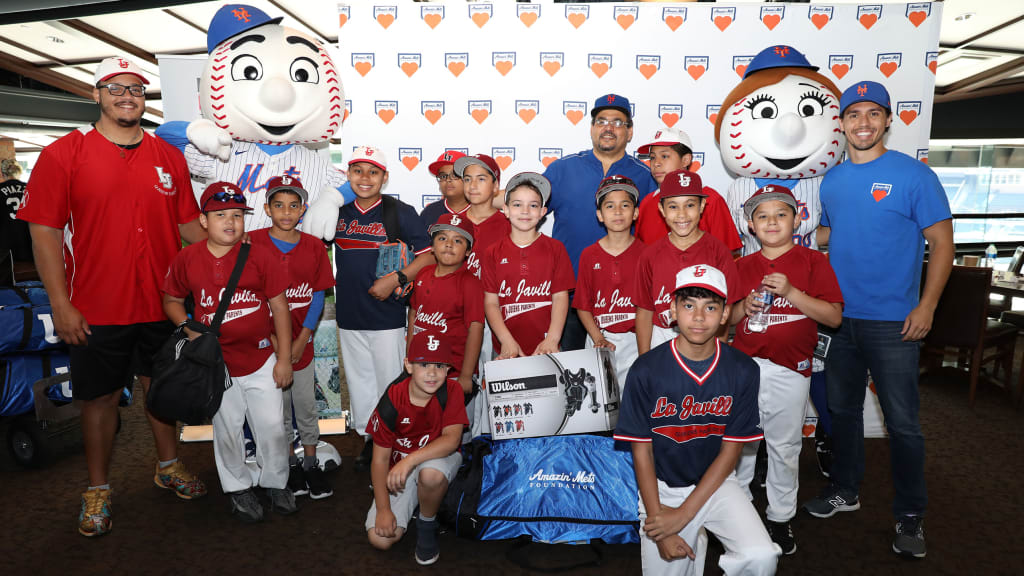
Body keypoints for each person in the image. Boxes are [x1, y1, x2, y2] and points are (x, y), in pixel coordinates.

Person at [17, 56, 207, 537]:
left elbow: (188, 226)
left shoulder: (169, 157)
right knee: (98, 399)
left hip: (162, 301)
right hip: (96, 306)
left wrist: (234, 237)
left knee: (159, 388)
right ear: (96, 94)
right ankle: (97, 489)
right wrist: (60, 304)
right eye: (116, 88)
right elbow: (44, 234)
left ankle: (167, 466)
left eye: (136, 89)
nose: (128, 96)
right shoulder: (65, 153)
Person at [802, 81, 954, 559]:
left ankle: (911, 514)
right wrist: (790, 229)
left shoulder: (915, 176)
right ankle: (846, 489)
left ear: (889, 120)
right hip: (840, 318)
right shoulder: (834, 179)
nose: (863, 123)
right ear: (841, 123)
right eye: (854, 115)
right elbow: (835, 232)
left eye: (873, 114)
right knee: (843, 413)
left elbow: (943, 244)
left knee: (903, 425)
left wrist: (926, 306)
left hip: (895, 322)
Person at [614, 264, 779, 576]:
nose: (699, 317)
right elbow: (641, 452)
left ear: (726, 314)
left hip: (716, 485)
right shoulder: (646, 369)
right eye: (688, 305)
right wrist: (662, 521)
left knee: (760, 555)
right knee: (673, 563)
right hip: (661, 489)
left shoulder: (743, 369)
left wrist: (684, 515)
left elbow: (730, 452)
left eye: (711, 307)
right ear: (673, 310)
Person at [163, 181, 296, 522]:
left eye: (237, 215)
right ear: (204, 221)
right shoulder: (188, 258)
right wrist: (188, 328)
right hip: (215, 365)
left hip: (260, 357)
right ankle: (238, 488)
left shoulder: (259, 255)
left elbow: (279, 307)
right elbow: (172, 300)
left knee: (272, 426)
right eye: (220, 214)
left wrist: (283, 359)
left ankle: (276, 481)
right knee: (227, 430)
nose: (230, 221)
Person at [728, 185, 843, 555]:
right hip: (744, 368)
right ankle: (739, 513)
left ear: (797, 219)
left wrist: (792, 292)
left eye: (781, 214)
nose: (772, 221)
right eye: (762, 215)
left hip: (790, 370)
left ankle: (779, 518)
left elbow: (833, 317)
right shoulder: (741, 266)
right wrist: (743, 307)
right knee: (741, 445)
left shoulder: (814, 262)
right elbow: (723, 321)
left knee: (784, 447)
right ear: (750, 225)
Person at [332, 146, 434, 470]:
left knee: (390, 381)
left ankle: (393, 439)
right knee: (360, 384)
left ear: (384, 177)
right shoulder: (338, 211)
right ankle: (368, 438)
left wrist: (397, 278)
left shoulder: (398, 211)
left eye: (373, 171)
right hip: (349, 314)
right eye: (358, 170)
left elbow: (428, 255)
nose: (365, 178)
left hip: (386, 315)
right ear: (347, 175)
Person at [544, 93, 657, 351]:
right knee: (571, 382)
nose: (609, 127)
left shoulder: (645, 176)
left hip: (624, 303)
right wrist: (481, 200)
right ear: (592, 128)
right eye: (602, 121)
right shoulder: (562, 169)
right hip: (568, 298)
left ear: (629, 132)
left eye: (618, 122)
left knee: (625, 378)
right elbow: (524, 203)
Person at [249, 176, 335, 499]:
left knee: (304, 404)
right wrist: (273, 340)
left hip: (303, 341)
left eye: (293, 205)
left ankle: (310, 463)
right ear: (268, 208)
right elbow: (252, 296)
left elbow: (317, 296)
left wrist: (301, 340)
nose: (286, 212)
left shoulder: (314, 245)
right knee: (279, 408)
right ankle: (290, 464)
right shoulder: (253, 242)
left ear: (303, 209)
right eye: (279, 205)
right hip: (267, 342)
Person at [365, 332, 468, 566]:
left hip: (437, 459)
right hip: (400, 469)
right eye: (423, 364)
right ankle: (415, 501)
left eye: (440, 366)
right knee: (380, 539)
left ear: (449, 369)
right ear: (408, 366)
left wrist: (410, 460)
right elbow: (380, 460)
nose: (432, 373)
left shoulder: (451, 391)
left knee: (430, 475)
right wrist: (383, 509)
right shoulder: (393, 397)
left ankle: (426, 522)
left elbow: (452, 440)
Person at [634, 170, 740, 355]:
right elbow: (644, 312)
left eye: (690, 205)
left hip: (705, 336)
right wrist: (644, 358)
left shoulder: (718, 251)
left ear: (702, 206)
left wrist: (719, 353)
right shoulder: (650, 254)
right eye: (673, 206)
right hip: (662, 336)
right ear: (661, 209)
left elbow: (726, 308)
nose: (682, 214)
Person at [483, 172, 575, 359]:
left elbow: (560, 298)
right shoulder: (492, 252)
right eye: (517, 205)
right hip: (505, 349)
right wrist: (506, 340)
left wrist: (552, 338)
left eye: (533, 205)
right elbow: (491, 302)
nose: (525, 211)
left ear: (542, 212)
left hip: (548, 347)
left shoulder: (555, 248)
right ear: (506, 210)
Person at [408, 212, 484, 435]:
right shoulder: (422, 274)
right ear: (431, 246)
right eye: (442, 238)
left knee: (454, 429)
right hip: (422, 367)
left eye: (458, 241)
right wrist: (409, 356)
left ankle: (462, 462)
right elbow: (414, 313)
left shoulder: (469, 283)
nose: (449, 245)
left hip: (453, 372)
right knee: (425, 425)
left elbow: (476, 328)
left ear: (468, 251)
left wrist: (466, 375)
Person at [573, 175, 645, 388]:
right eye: (610, 206)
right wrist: (598, 338)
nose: (618, 211)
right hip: (600, 338)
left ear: (635, 213)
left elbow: (649, 308)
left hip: (636, 341)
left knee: (634, 406)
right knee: (601, 409)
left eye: (625, 205)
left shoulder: (647, 253)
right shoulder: (589, 254)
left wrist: (644, 349)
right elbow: (583, 306)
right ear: (600, 215)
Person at [634, 127, 741, 254]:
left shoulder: (711, 199)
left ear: (686, 160)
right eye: (652, 157)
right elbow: (641, 253)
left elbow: (728, 254)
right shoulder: (647, 202)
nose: (656, 163)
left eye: (664, 156)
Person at [419, 151, 470, 232]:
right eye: (443, 176)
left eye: (455, 175)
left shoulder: (481, 211)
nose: (448, 180)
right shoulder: (429, 212)